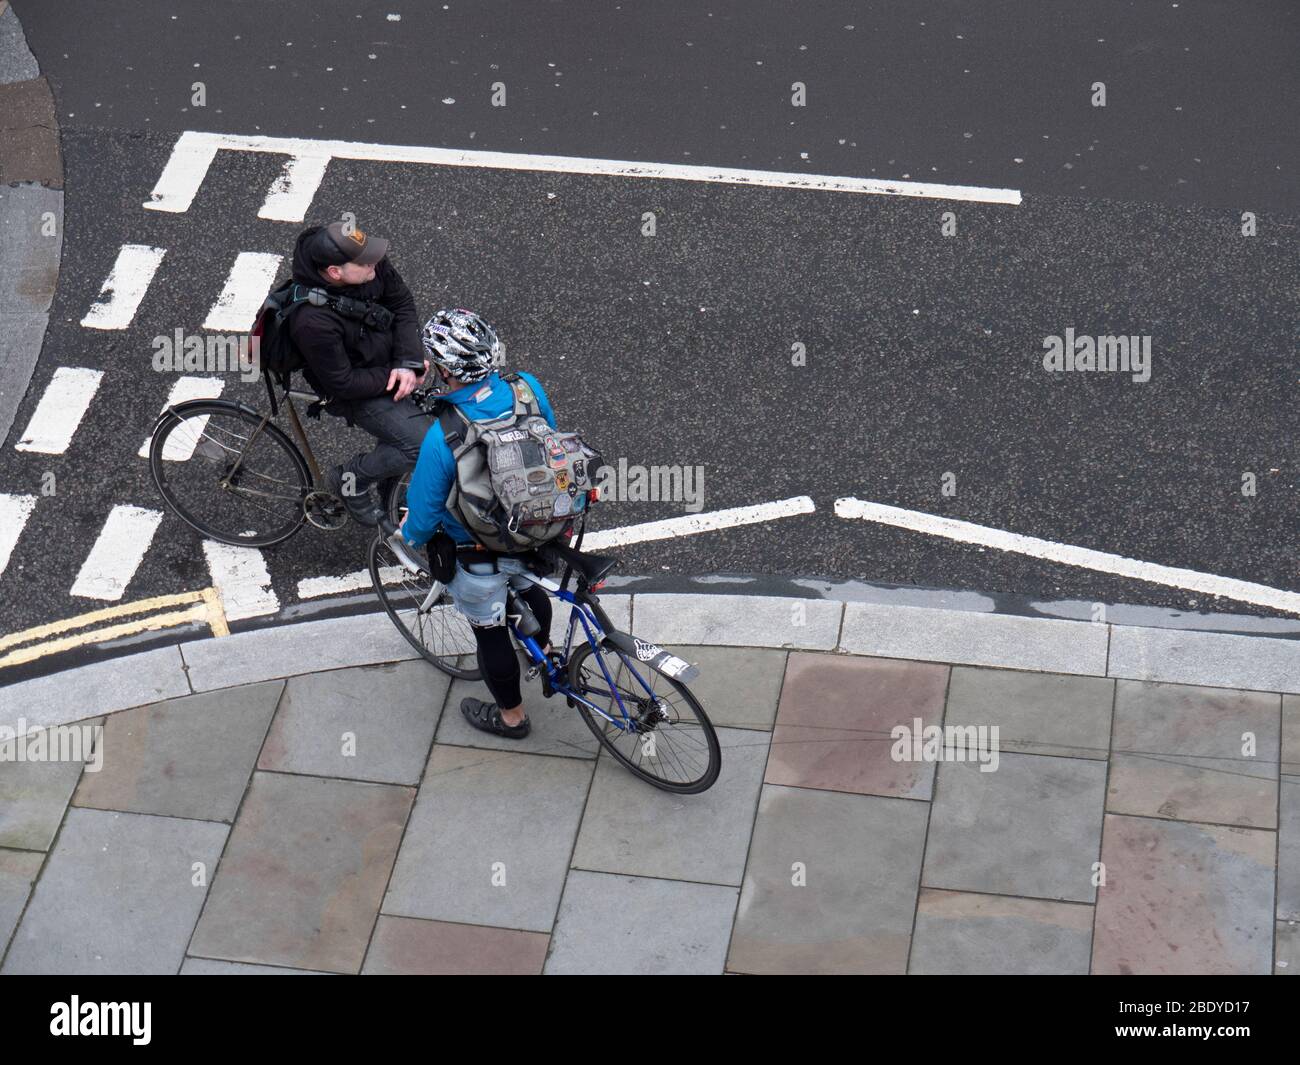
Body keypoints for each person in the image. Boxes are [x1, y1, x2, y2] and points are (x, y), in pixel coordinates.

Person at [400, 309, 559, 740]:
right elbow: (551, 438)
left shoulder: (443, 434)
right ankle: (543, 651)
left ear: (447, 370)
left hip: (479, 547)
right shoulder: (527, 388)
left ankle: (512, 718)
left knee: (489, 632)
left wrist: (410, 535)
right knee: (527, 589)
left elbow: (426, 508)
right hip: (535, 524)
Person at [287, 220, 430, 525]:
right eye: (365, 263)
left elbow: (402, 303)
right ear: (335, 273)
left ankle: (393, 484)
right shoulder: (312, 322)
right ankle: (350, 480)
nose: (375, 266)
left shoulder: (368, 263)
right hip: (354, 389)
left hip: (385, 363)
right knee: (422, 445)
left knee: (414, 431)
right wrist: (396, 374)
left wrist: (409, 361)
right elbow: (343, 383)